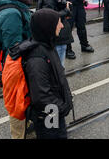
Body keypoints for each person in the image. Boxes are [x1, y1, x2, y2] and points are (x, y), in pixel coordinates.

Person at [24, 9, 73, 139]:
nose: (62, 26)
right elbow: (41, 97)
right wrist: (62, 108)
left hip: (54, 112)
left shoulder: (47, 46)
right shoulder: (37, 58)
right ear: (48, 27)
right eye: (58, 23)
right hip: (49, 115)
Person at [0, 0, 32, 139]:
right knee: (18, 102)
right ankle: (19, 135)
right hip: (16, 65)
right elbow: (14, 47)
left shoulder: (18, 5)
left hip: (22, 62)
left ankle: (28, 128)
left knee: (24, 99)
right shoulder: (11, 13)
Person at [35, 0, 74, 66]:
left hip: (57, 35)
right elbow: (49, 16)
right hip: (56, 36)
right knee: (58, 66)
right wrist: (66, 11)